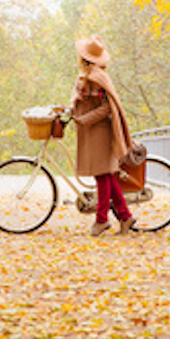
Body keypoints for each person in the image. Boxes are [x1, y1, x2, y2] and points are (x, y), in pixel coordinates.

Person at [59, 35, 136, 236]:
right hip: (94, 132)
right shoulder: (90, 75)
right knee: (106, 175)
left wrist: (84, 119)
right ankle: (126, 216)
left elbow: (105, 109)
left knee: (102, 175)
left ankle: (101, 220)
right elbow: (84, 101)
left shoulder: (95, 77)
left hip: (99, 132)